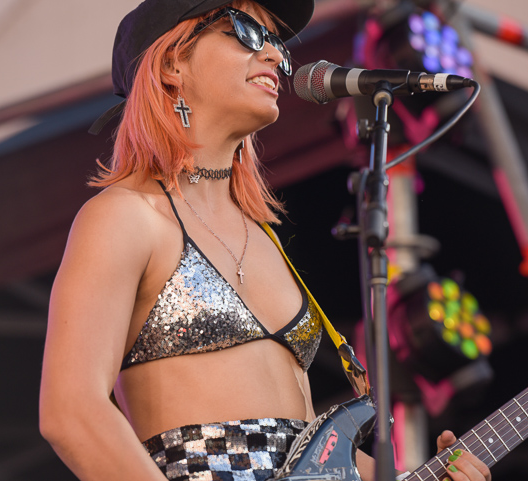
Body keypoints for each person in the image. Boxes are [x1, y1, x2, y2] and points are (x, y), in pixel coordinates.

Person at [38, 1, 492, 481]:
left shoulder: (265, 238)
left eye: (276, 42)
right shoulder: (124, 217)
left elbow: (307, 451)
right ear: (172, 63)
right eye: (247, 31)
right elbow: (72, 413)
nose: (276, 55)